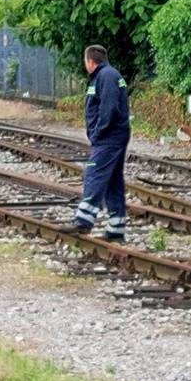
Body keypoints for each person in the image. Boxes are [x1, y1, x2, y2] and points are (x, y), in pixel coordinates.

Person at [70, 44, 130, 242]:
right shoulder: (108, 75)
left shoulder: (106, 77)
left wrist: (98, 132)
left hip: (109, 137)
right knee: (113, 181)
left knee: (94, 173)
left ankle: (84, 220)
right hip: (114, 135)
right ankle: (116, 228)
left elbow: (109, 107)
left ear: (90, 61)